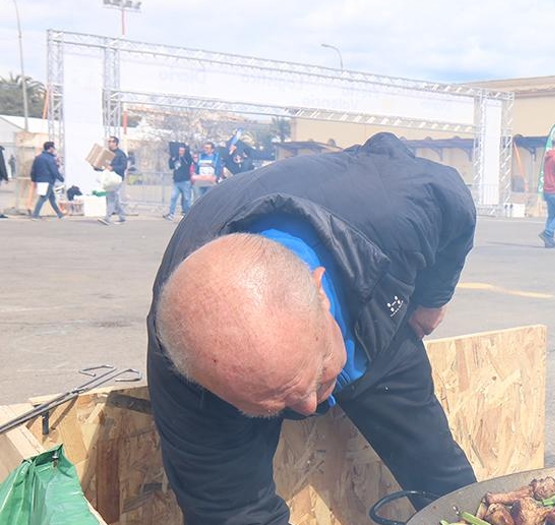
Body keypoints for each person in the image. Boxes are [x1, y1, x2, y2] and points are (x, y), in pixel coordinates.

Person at [146, 132, 477, 523]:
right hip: (263, 360)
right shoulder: (190, 378)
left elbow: (453, 200)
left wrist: (431, 299)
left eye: (317, 377)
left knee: (435, 465)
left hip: (370, 297)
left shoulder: (395, 204)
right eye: (271, 404)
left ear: (320, 295)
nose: (310, 407)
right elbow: (233, 512)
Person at [31, 141, 66, 220]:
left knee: (52, 198)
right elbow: (53, 170)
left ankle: (60, 214)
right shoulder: (50, 158)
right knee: (43, 198)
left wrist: (34, 180)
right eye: (53, 148)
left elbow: (33, 170)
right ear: (50, 148)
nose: (54, 149)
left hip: (40, 180)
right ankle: (35, 215)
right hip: (48, 180)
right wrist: (61, 178)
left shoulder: (38, 157)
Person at [99, 136, 129, 225]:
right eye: (109, 141)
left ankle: (107, 218)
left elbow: (123, 166)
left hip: (117, 178)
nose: (110, 143)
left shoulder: (121, 154)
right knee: (113, 198)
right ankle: (122, 216)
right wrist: (97, 167)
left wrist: (113, 168)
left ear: (116, 143)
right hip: (108, 178)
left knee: (111, 196)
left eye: (111, 141)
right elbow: (103, 165)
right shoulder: (107, 154)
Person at [164, 143, 194, 221]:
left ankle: (188, 214)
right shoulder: (175, 158)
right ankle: (171, 214)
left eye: (182, 150)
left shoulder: (187, 158)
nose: (180, 151)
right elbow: (171, 166)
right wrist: (172, 158)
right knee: (173, 197)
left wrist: (186, 152)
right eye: (179, 150)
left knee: (187, 199)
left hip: (185, 181)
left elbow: (190, 160)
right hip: (176, 182)